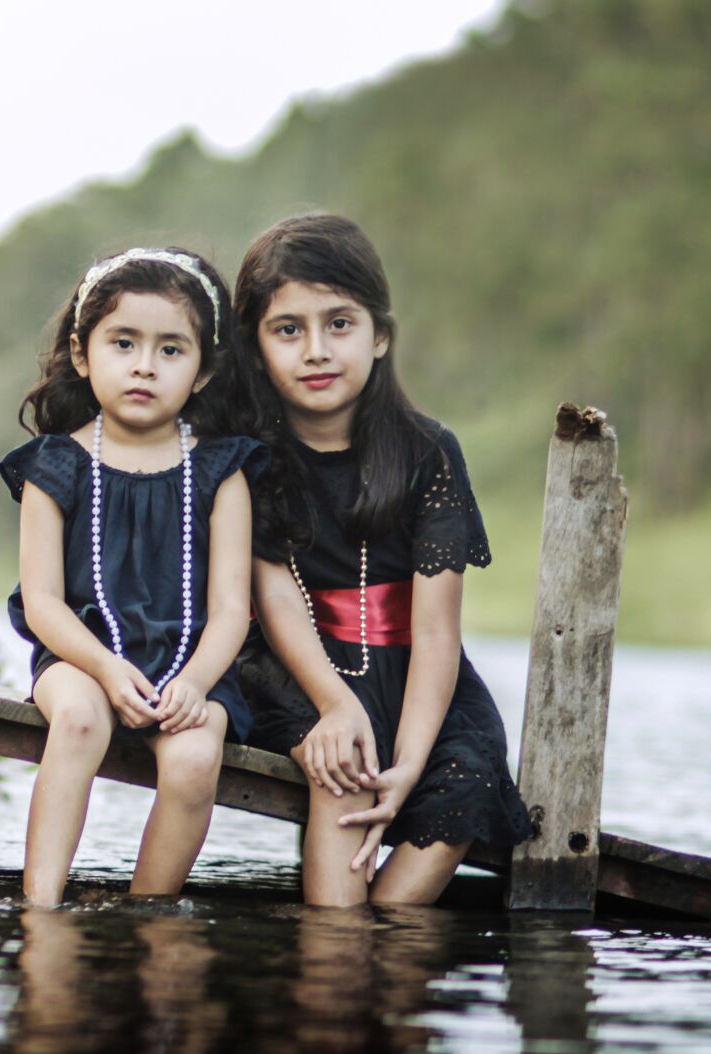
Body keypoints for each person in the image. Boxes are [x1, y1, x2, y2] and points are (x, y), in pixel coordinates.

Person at [228, 214, 531, 907]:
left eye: (340, 323)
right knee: (347, 762)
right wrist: (335, 705)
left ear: (381, 334)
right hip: (295, 665)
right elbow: (274, 598)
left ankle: (387, 973)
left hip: (421, 675)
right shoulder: (249, 456)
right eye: (288, 329)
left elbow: (435, 631)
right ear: (257, 345)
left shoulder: (428, 454)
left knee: (469, 777)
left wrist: (413, 763)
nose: (316, 350)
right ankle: (333, 961)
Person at [1, 247, 266, 907]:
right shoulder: (54, 465)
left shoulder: (220, 470)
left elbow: (233, 607)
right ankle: (42, 908)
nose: (145, 364)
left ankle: (147, 914)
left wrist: (197, 683)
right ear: (84, 354)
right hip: (80, 655)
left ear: (202, 372)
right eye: (124, 342)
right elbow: (42, 602)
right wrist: (106, 669)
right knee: (82, 721)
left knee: (196, 757)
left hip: (189, 665)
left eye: (172, 350)